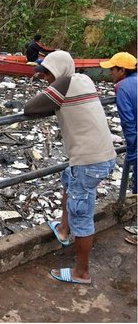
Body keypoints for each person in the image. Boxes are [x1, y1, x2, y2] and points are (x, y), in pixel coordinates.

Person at [24, 50, 116, 285]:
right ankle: (63, 230)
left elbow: (30, 109)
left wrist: (51, 97)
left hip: (89, 162)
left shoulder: (64, 83)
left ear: (59, 71)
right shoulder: (84, 79)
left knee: (82, 215)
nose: (45, 78)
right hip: (101, 156)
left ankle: (82, 273)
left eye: (47, 73)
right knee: (68, 179)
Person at [99, 52, 137, 195]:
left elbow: (128, 121)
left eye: (112, 69)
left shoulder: (123, 87)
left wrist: (133, 152)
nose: (110, 73)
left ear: (122, 70)